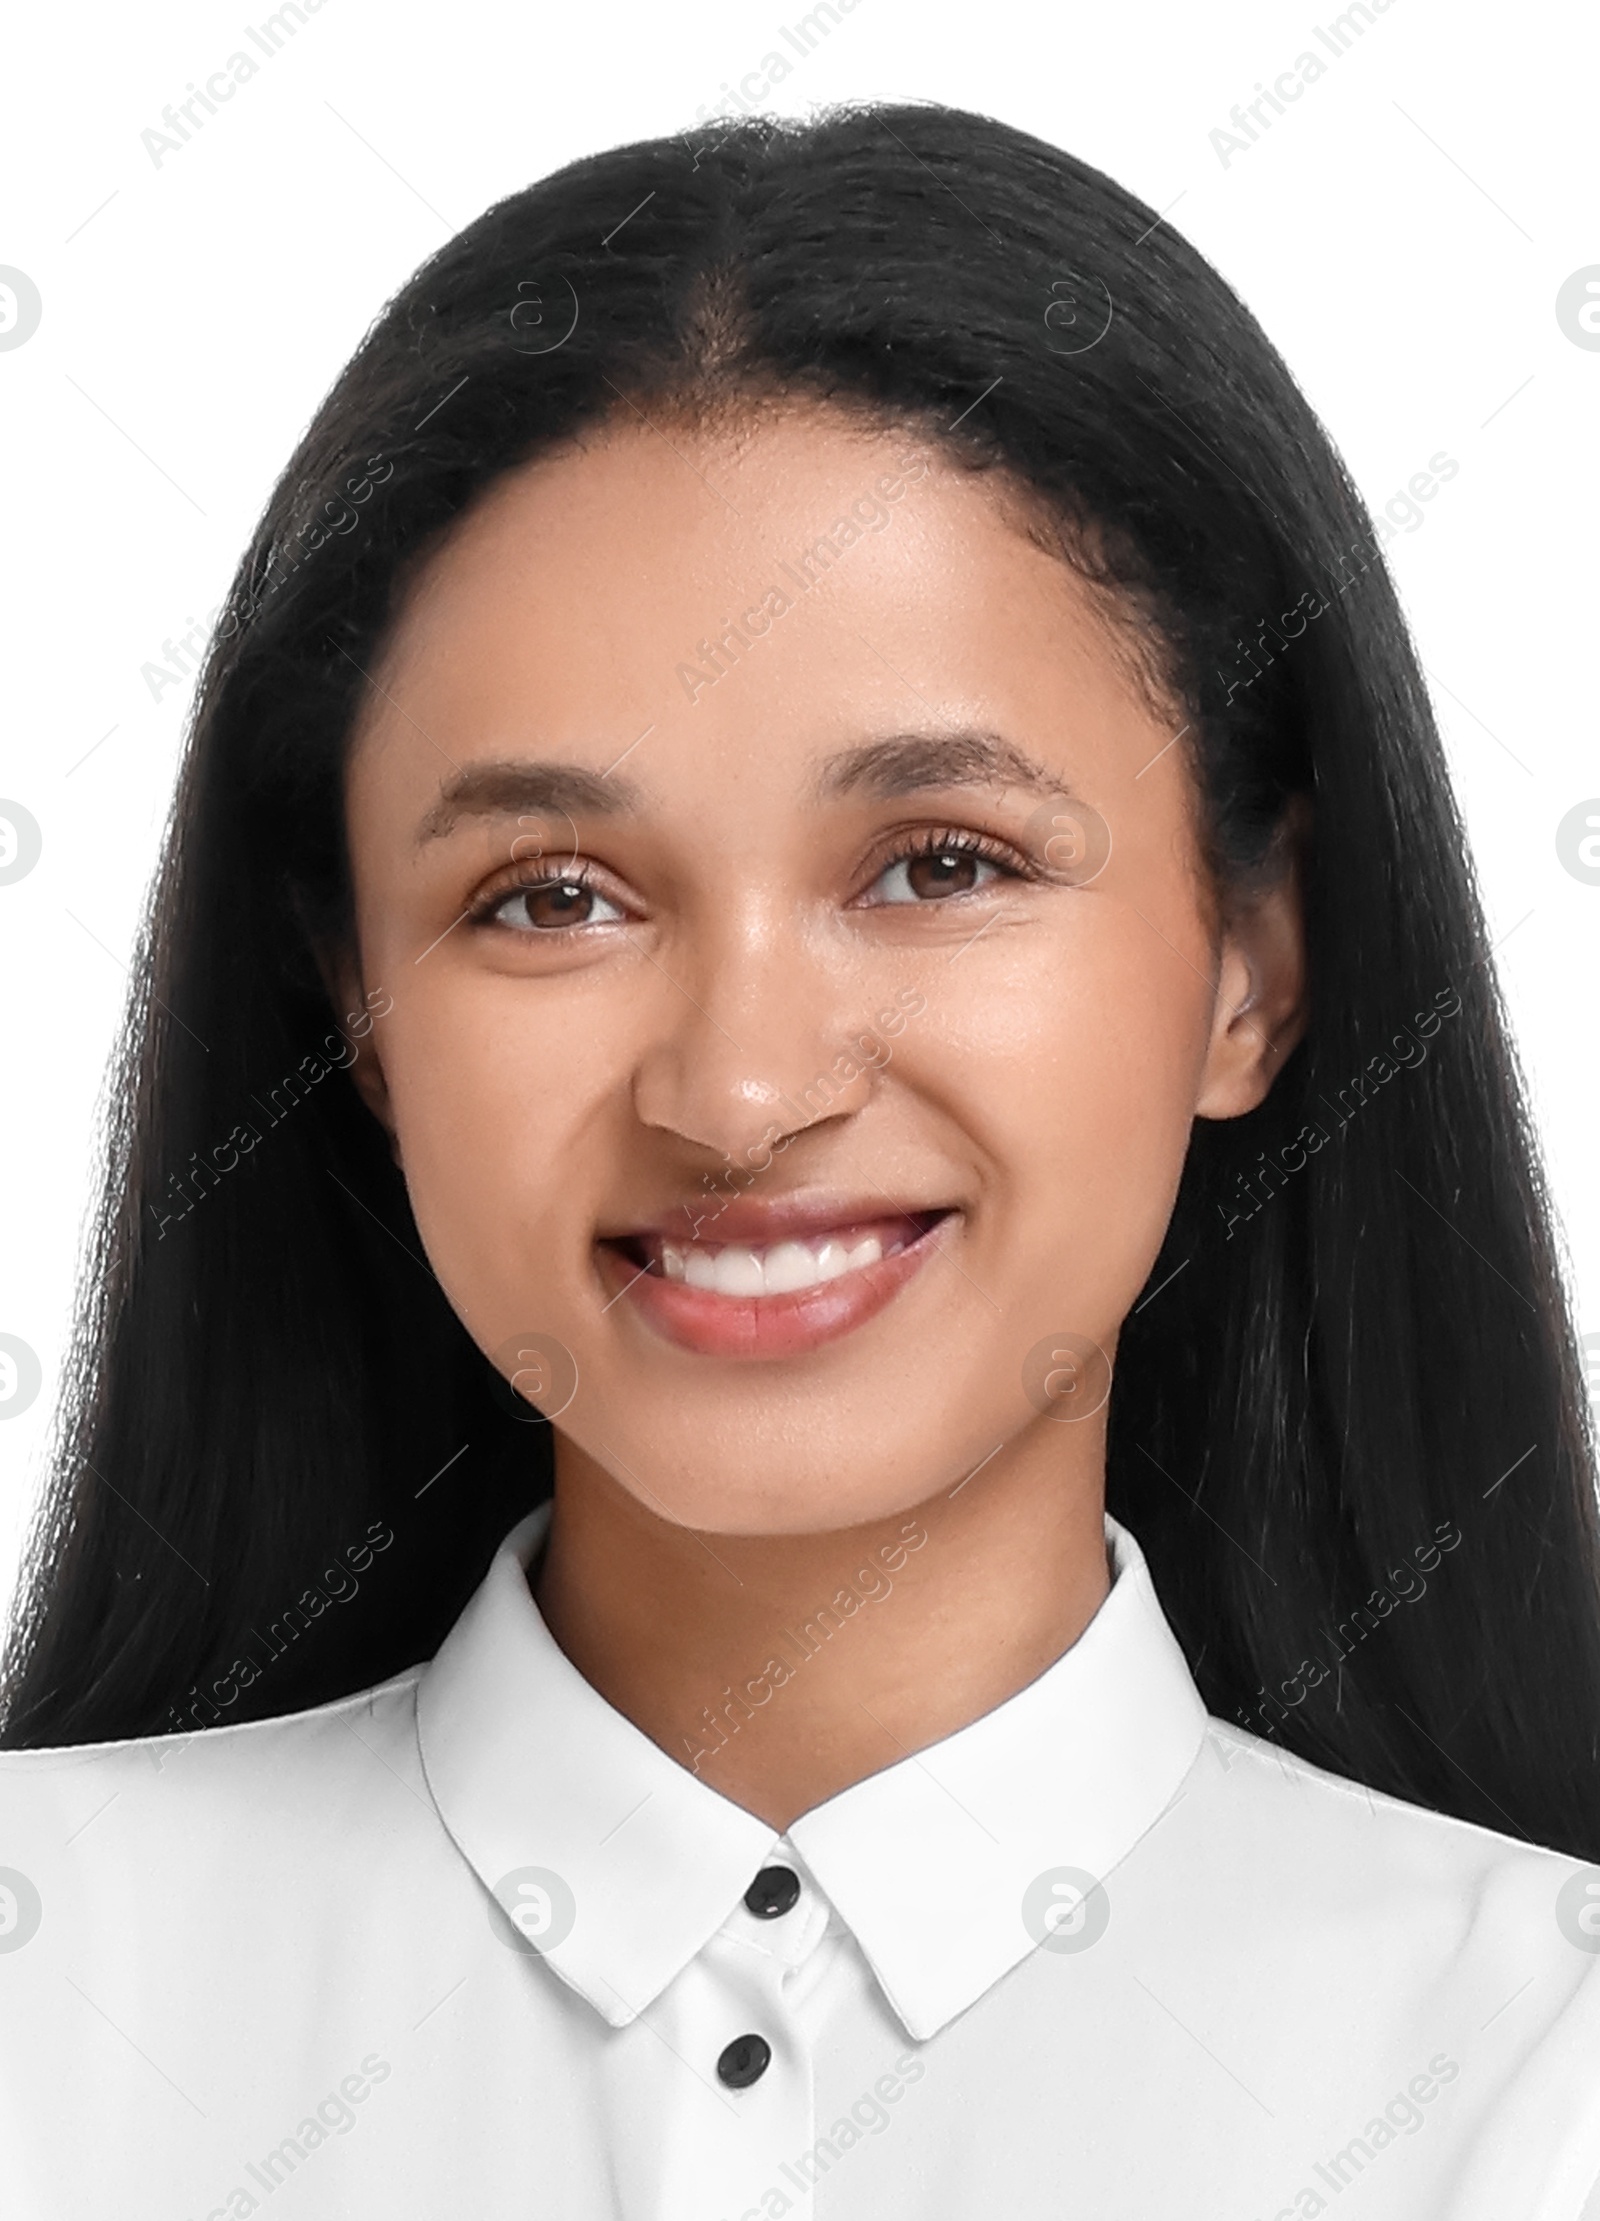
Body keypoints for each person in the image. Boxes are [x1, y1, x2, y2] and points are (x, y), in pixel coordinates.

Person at [3, 101, 1599, 2218]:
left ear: (1248, 962)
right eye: (550, 894)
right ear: (354, 1007)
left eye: (938, 862)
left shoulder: (1539, 2074)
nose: (737, 1094)